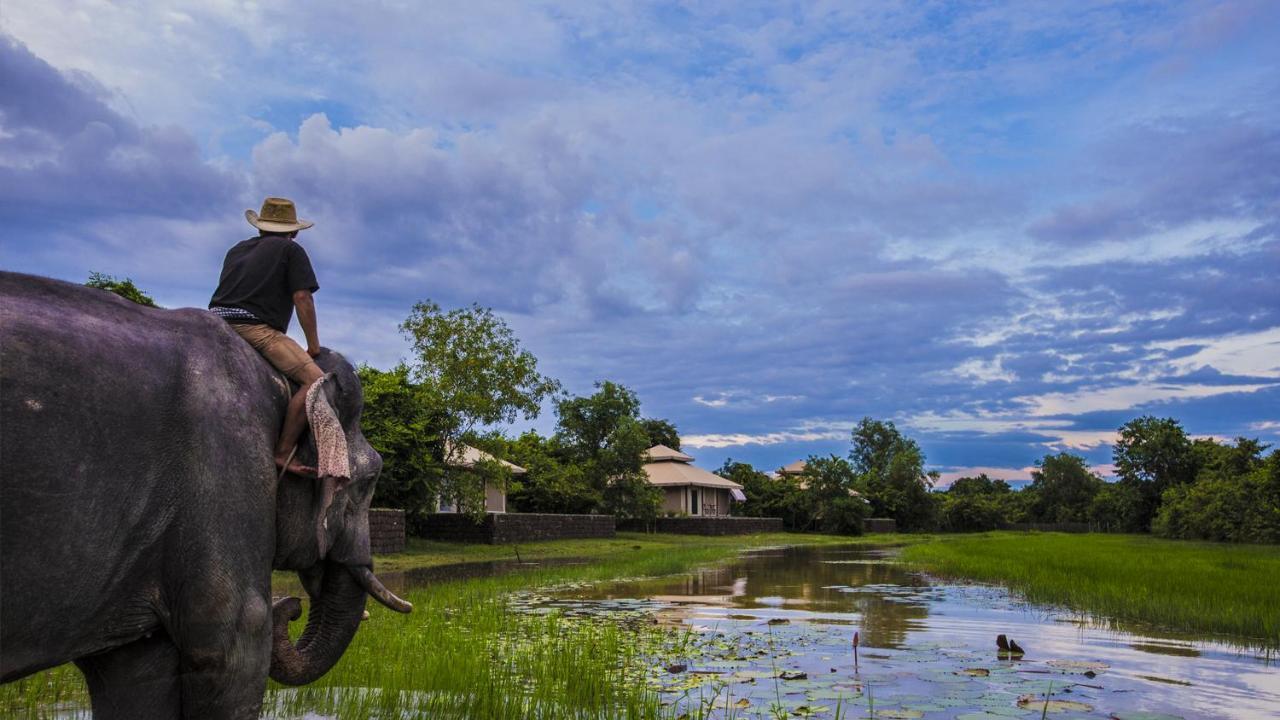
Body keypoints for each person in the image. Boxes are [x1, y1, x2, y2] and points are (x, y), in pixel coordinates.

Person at [209, 197, 324, 477]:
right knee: (316, 382)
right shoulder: (291, 251)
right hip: (254, 328)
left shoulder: (237, 249)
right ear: (294, 232)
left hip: (214, 321)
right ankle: (283, 452)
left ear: (260, 226)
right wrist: (312, 344)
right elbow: (302, 297)